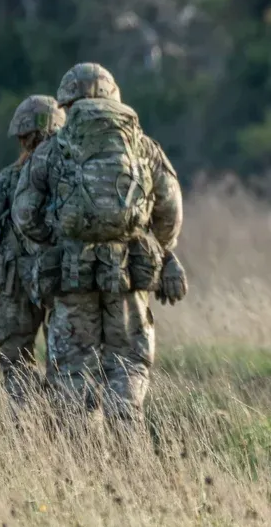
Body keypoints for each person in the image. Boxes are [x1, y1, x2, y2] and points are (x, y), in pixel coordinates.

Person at [12, 63, 186, 431]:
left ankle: (81, 469)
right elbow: (171, 208)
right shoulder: (142, 144)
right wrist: (156, 246)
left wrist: (57, 239)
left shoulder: (53, 148)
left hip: (71, 277)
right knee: (128, 366)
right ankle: (128, 456)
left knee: (73, 375)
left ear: (66, 104)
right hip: (130, 277)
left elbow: (24, 211)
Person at [0, 95, 65, 412]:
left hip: (15, 283)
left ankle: (26, 433)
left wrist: (6, 242)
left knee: (15, 361)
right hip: (65, 279)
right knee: (65, 362)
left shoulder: (11, 176)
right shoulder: (71, 174)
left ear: (25, 136)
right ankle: (63, 427)